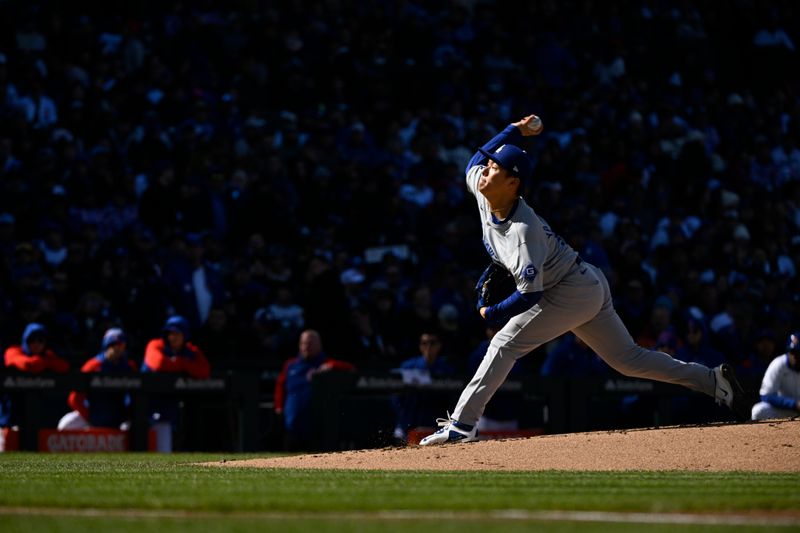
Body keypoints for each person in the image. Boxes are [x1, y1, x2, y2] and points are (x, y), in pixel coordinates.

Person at [420, 114, 753, 445]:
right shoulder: (484, 190)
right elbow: (475, 160)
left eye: (495, 168)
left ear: (513, 184)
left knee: (504, 344)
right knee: (628, 360)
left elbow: (530, 295)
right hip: (584, 280)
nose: (486, 170)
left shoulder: (523, 232)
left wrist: (490, 314)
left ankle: (462, 426)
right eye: (490, 165)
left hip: (568, 290)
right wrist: (515, 131)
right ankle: (712, 380)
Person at [274, 329, 356, 451]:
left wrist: (331, 367)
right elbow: (280, 385)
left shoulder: (325, 363)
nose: (306, 346)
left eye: (310, 343)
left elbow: (350, 369)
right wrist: (279, 406)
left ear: (319, 345)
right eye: (303, 343)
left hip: (315, 426)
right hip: (292, 421)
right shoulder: (290, 365)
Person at [141, 315, 211, 451]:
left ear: (185, 335)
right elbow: (159, 363)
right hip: (148, 405)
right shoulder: (155, 345)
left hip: (173, 407)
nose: (172, 337)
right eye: (170, 333)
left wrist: (179, 363)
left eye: (176, 333)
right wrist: (184, 364)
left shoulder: (191, 350)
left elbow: (204, 371)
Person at [58, 327, 138, 430]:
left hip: (119, 419)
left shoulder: (129, 366)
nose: (117, 348)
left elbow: (135, 397)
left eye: (120, 344)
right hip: (93, 415)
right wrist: (89, 417)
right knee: (65, 425)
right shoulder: (93, 365)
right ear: (106, 345)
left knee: (138, 425)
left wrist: (128, 415)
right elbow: (74, 398)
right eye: (113, 344)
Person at [1, 323, 70, 429]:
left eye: (40, 340)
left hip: (40, 414)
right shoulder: (13, 351)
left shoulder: (48, 355)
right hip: (11, 414)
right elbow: (27, 365)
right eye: (32, 340)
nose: (36, 344)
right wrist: (45, 361)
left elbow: (64, 367)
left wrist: (45, 360)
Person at [391, 331, 455, 443]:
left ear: (439, 345)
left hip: (436, 426)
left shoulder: (446, 369)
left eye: (432, 343)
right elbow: (395, 394)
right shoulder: (408, 367)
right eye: (424, 343)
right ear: (420, 346)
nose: (428, 347)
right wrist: (403, 416)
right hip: (408, 425)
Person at [751, 332, 800, 421]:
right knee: (758, 410)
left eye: (799, 352)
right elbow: (766, 395)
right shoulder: (779, 363)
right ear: (788, 351)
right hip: (787, 410)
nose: (795, 356)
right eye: (793, 352)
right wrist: (794, 404)